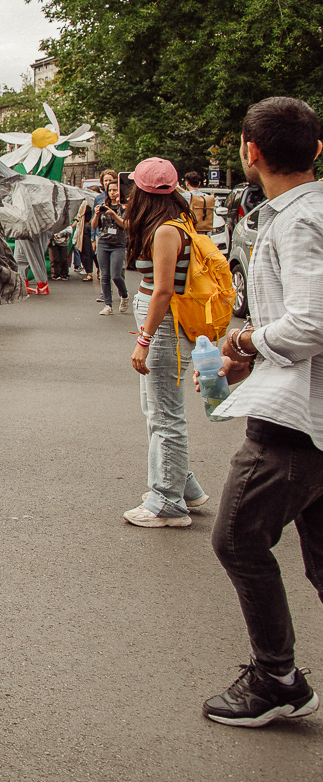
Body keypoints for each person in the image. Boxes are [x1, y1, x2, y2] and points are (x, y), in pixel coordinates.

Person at [204, 97, 323, 727]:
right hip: (305, 408)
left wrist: (247, 342)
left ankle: (276, 678)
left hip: (295, 419)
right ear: (317, 150)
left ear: (250, 152)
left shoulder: (297, 221)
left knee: (237, 537)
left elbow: (313, 322)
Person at [124, 157, 209, 528]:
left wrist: (144, 339)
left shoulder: (164, 231)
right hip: (167, 323)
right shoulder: (178, 221)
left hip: (164, 325)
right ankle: (182, 485)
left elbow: (162, 291)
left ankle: (168, 503)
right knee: (156, 409)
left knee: (164, 415)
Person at [93, 169, 130, 314]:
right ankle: (108, 305)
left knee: (116, 275)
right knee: (105, 275)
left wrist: (113, 214)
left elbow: (125, 225)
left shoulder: (125, 206)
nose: (112, 193)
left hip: (118, 244)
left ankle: (124, 295)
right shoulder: (103, 204)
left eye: (115, 190)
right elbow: (94, 225)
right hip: (103, 242)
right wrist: (97, 214)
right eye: (110, 190)